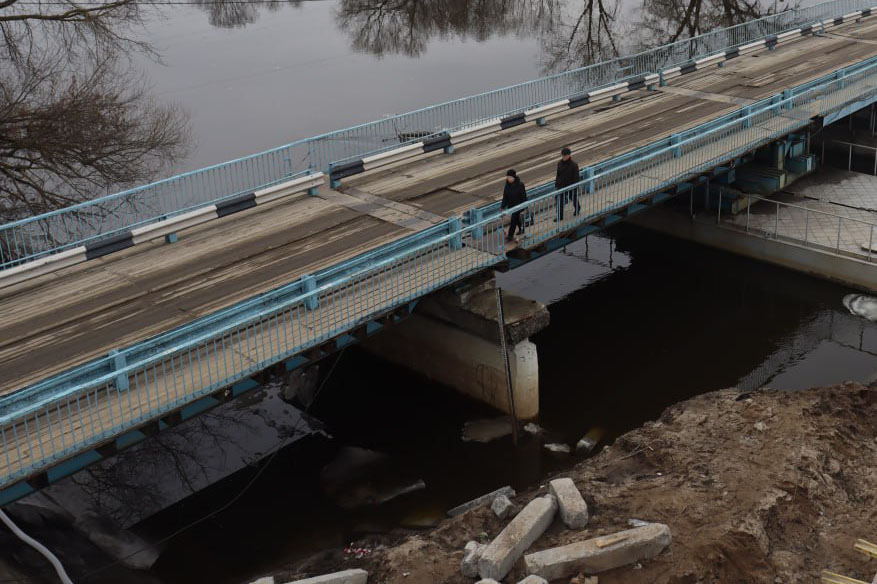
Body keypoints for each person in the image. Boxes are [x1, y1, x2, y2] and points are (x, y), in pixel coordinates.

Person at [500, 169, 527, 243]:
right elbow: (505, 196)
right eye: (507, 177)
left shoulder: (520, 184)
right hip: (511, 206)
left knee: (513, 220)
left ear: (514, 177)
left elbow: (524, 196)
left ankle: (510, 236)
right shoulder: (507, 185)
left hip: (519, 206)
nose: (508, 179)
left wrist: (525, 206)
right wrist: (502, 206)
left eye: (510, 177)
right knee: (516, 219)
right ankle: (522, 229)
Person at [554, 146, 580, 221]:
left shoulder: (574, 165)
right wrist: (557, 184)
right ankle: (560, 216)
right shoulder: (559, 163)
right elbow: (558, 174)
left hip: (571, 185)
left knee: (574, 198)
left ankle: (577, 208)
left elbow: (576, 177)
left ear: (569, 155)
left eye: (565, 155)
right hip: (561, 186)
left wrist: (575, 186)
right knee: (560, 201)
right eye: (562, 155)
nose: (564, 157)